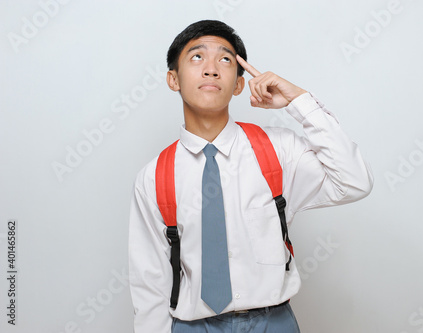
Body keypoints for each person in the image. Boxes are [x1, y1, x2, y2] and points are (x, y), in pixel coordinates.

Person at [128, 19, 373, 333]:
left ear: (239, 84)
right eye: (197, 57)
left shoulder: (278, 151)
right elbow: (149, 281)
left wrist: (300, 102)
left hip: (274, 323)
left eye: (226, 60)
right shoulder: (153, 178)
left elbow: (355, 182)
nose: (212, 69)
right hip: (191, 326)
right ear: (173, 79)